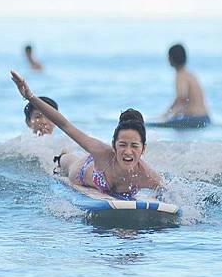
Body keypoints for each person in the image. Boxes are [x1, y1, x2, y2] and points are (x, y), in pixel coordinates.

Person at [11, 70, 161, 199]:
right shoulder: (101, 151)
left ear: (143, 149)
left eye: (134, 145)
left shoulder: (148, 176)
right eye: (122, 144)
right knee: (66, 161)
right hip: (80, 170)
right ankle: (63, 156)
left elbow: (168, 194)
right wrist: (30, 96)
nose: (128, 151)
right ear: (113, 146)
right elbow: (65, 125)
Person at [162, 43, 210, 128]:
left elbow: (181, 97)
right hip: (205, 117)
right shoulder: (190, 74)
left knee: (162, 125)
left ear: (171, 58)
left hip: (195, 119)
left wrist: (167, 113)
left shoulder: (180, 75)